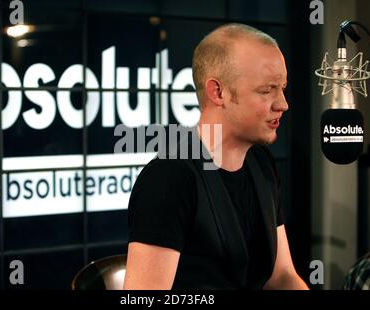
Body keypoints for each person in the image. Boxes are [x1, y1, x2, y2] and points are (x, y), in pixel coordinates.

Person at [123, 23, 309, 290]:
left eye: (282, 88)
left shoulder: (262, 162)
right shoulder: (168, 179)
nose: (283, 103)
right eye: (266, 90)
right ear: (217, 92)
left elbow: (282, 277)